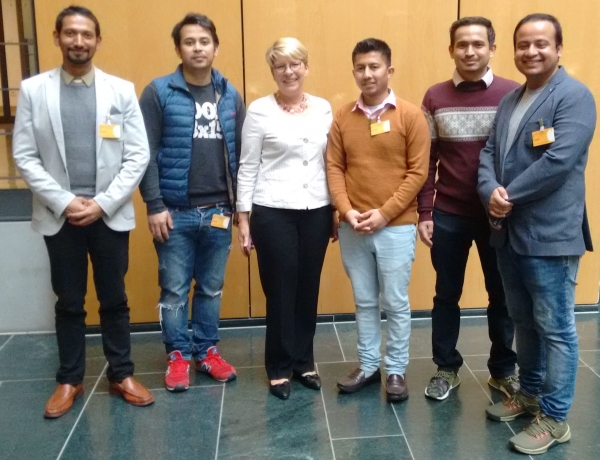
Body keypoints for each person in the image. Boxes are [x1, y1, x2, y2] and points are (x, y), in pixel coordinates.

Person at [12, 5, 154, 418]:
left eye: (87, 34)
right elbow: (25, 156)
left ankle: (121, 374)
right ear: (57, 37)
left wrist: (103, 202)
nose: (79, 41)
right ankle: (69, 379)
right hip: (62, 217)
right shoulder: (34, 90)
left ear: (97, 40)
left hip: (108, 215)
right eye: (70, 33)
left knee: (115, 298)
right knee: (69, 301)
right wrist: (65, 201)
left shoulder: (121, 90)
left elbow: (137, 155)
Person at [478, 13, 596, 455]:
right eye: (523, 44)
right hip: (508, 233)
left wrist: (506, 196)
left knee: (556, 328)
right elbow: (489, 152)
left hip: (550, 235)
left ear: (559, 48)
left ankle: (556, 417)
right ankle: (528, 394)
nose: (531, 51)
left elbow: (559, 160)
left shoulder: (574, 97)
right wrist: (489, 190)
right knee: (522, 319)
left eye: (541, 44)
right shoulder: (511, 98)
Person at [139, 13, 245, 392]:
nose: (197, 48)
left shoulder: (230, 94)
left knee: (212, 288)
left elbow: (241, 156)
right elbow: (144, 153)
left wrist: (238, 209)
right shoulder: (159, 92)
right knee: (174, 291)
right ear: (179, 48)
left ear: (215, 46)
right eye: (189, 41)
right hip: (174, 213)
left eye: (204, 41)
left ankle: (206, 351)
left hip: (219, 211)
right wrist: (154, 205)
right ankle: (178, 356)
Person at [417, 16, 519, 401]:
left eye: (479, 44)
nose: (470, 51)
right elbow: (426, 160)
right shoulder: (435, 97)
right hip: (449, 213)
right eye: (462, 45)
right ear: (451, 50)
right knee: (446, 294)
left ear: (492, 48)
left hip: (500, 215)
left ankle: (503, 371)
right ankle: (446, 368)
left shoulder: (513, 94)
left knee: (503, 295)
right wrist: (425, 212)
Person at [327, 38, 430, 402]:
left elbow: (418, 172)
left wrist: (385, 213)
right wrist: (347, 210)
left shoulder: (410, 115)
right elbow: (334, 167)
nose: (367, 74)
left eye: (374, 66)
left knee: (396, 302)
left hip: (396, 226)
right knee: (365, 300)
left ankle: (397, 369)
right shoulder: (342, 116)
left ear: (389, 70)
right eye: (360, 67)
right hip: (353, 226)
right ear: (353, 70)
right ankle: (369, 365)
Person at [237, 38, 335, 400]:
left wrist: (337, 209)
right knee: (281, 290)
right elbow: (247, 166)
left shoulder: (324, 109)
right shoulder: (260, 111)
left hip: (317, 210)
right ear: (273, 72)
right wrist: (243, 218)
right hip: (272, 210)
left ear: (306, 67)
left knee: (308, 288)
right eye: (280, 66)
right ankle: (278, 367)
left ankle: (303, 361)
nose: (289, 72)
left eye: (295, 64)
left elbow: (333, 163)